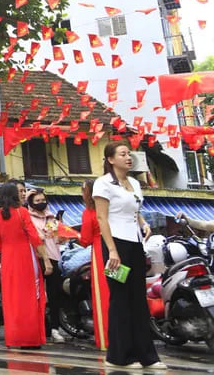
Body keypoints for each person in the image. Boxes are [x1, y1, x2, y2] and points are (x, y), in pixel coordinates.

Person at [93, 141, 164, 370]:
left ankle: (148, 356)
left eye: (129, 154)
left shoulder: (134, 182)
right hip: (116, 246)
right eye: (122, 154)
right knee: (120, 299)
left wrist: (143, 223)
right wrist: (112, 250)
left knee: (138, 300)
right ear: (111, 159)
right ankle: (119, 356)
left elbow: (135, 209)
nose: (128, 158)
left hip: (135, 243)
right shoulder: (103, 184)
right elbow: (102, 219)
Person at [0, 180, 53, 349]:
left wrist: (8, 249)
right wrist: (46, 260)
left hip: (8, 260)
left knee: (12, 299)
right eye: (20, 192)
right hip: (25, 257)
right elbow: (34, 237)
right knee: (31, 297)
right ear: (13, 195)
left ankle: (14, 338)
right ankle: (31, 338)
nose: (22, 194)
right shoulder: (22, 213)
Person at [26, 190, 66, 343]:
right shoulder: (28, 218)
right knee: (37, 295)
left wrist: (61, 232)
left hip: (54, 258)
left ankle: (55, 328)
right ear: (31, 203)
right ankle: (40, 327)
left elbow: (57, 239)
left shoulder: (51, 217)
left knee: (54, 295)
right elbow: (37, 238)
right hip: (37, 259)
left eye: (43, 199)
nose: (41, 202)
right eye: (37, 200)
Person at [78, 179, 109, 351]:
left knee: (102, 295)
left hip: (100, 253)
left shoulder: (89, 212)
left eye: (83, 191)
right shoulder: (110, 207)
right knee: (117, 292)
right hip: (117, 250)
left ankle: (106, 339)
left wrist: (71, 235)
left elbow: (85, 240)